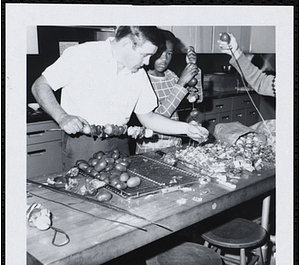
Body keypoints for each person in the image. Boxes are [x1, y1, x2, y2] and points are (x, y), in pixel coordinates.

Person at [31, 26, 209, 170]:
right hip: (82, 143)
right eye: (145, 55)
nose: (147, 63)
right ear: (125, 45)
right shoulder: (81, 54)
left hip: (121, 142)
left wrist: (186, 129)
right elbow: (40, 86)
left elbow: (148, 117)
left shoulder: (138, 73)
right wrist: (62, 117)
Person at [136, 29, 204, 153]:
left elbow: (196, 98)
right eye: (160, 53)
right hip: (151, 146)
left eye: (169, 53)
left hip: (175, 143)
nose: (164, 59)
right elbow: (156, 118)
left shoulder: (170, 75)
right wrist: (181, 83)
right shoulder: (142, 78)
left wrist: (193, 70)